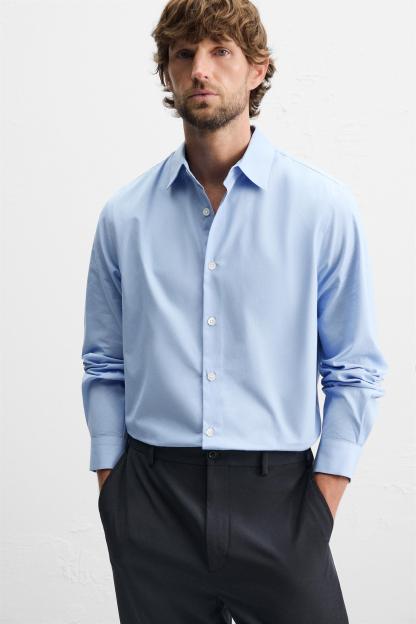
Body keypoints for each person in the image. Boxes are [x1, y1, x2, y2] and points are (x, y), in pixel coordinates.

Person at [81, 0, 388, 622]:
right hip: (153, 499)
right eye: (184, 53)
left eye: (221, 50)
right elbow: (105, 363)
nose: (200, 68)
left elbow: (354, 368)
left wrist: (320, 504)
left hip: (280, 500)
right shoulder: (124, 216)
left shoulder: (321, 208)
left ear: (257, 69)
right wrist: (115, 491)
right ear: (167, 72)